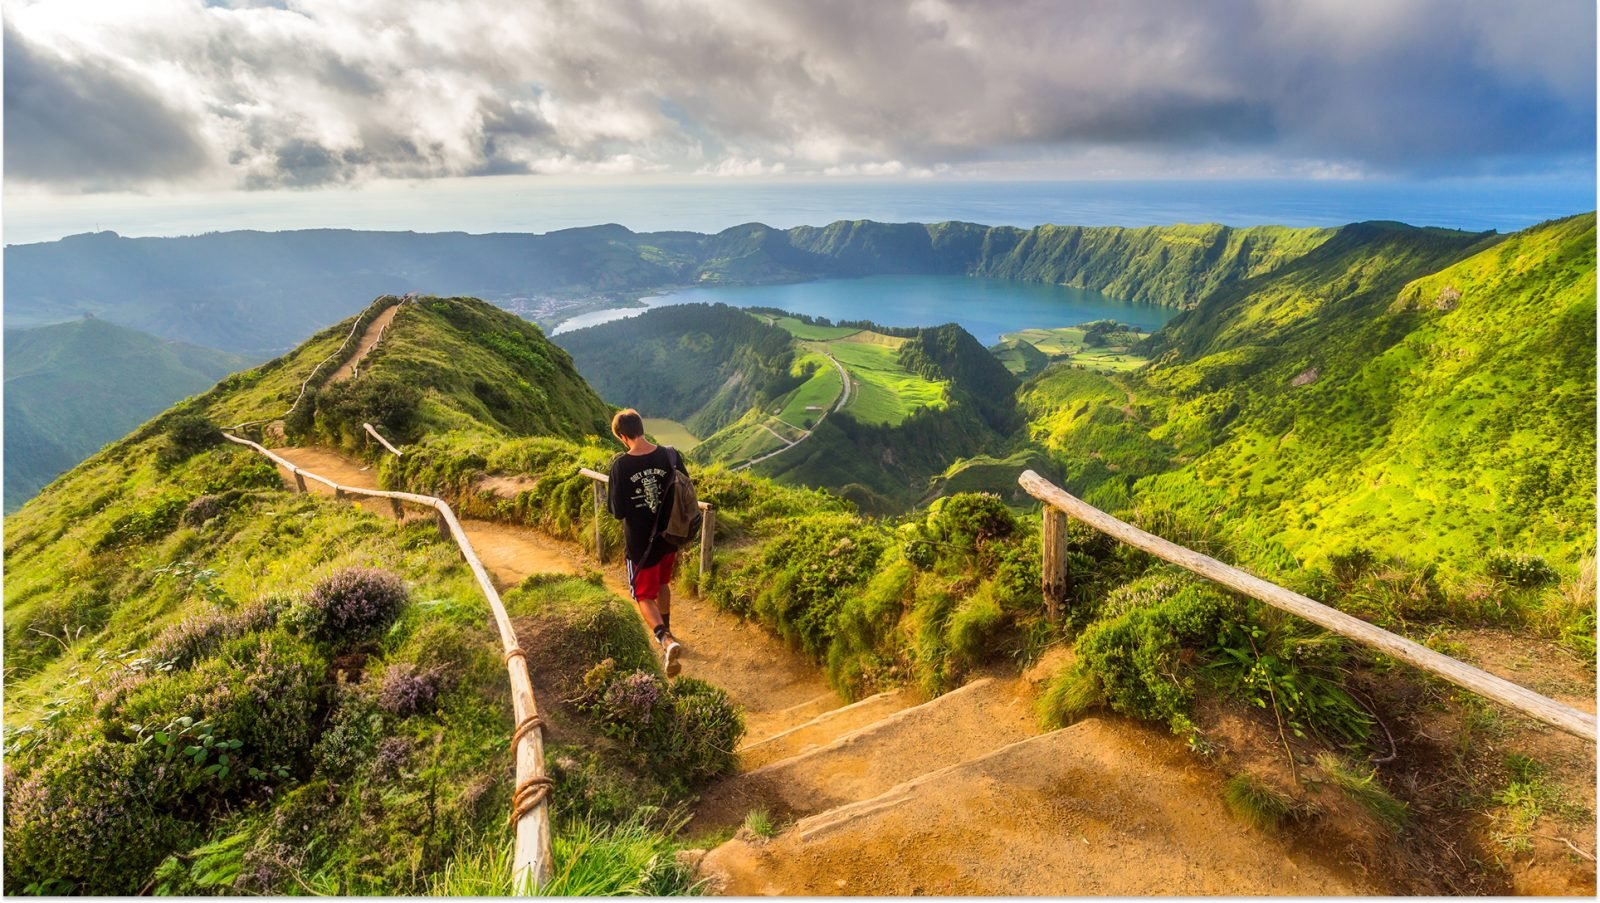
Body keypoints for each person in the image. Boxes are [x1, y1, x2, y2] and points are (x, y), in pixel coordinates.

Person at [606, 408, 687, 676]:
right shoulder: (669, 454)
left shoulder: (621, 465)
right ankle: (669, 630)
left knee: (642, 595)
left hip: (642, 546)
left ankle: (666, 640)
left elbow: (617, 511)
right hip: (669, 538)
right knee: (663, 584)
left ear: (622, 436)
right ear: (641, 428)